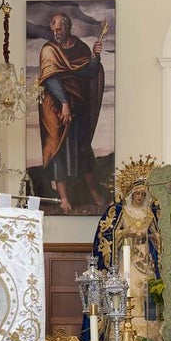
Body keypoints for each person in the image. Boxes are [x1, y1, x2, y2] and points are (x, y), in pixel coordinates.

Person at [38, 11, 107, 214]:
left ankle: (92, 190)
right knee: (58, 150)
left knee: (83, 147)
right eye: (54, 29)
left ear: (68, 27)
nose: (56, 32)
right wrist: (64, 103)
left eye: (60, 28)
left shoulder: (80, 47)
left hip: (79, 106)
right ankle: (64, 198)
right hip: (55, 107)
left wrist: (95, 57)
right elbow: (51, 79)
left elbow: (89, 73)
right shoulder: (48, 50)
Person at [86, 168, 161, 340]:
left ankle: (148, 336)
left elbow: (159, 235)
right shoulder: (120, 212)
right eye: (137, 194)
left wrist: (152, 236)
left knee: (147, 292)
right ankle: (121, 334)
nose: (140, 197)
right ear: (130, 194)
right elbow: (107, 234)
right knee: (128, 290)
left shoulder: (150, 213)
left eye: (143, 194)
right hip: (126, 258)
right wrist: (126, 233)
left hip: (146, 259)